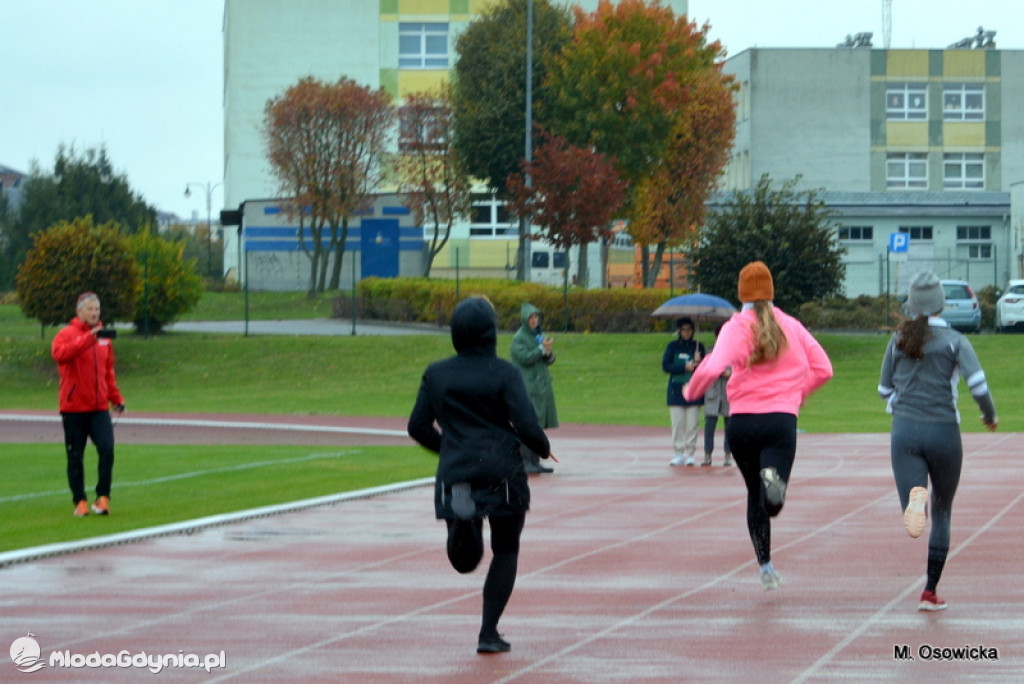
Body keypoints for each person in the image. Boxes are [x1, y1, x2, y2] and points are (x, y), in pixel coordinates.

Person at [408, 297, 554, 654]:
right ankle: (488, 632)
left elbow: (417, 426)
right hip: (502, 469)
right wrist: (543, 445)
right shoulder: (505, 373)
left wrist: (448, 447)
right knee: (505, 549)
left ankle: (463, 522)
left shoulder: (437, 373)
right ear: (490, 333)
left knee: (464, 562)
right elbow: (526, 424)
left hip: (457, 468)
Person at [683, 262, 833, 590]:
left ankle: (765, 565)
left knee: (753, 496)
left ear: (742, 294)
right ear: (771, 292)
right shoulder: (791, 326)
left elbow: (712, 369)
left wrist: (690, 391)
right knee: (770, 498)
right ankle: (774, 490)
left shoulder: (735, 328)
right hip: (780, 421)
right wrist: (799, 392)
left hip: (743, 424)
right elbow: (824, 368)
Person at [878, 270, 997, 612]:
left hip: (905, 432)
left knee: (916, 505)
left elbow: (884, 389)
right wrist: (989, 416)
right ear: (942, 305)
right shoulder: (956, 341)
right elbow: (979, 387)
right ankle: (930, 591)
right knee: (943, 512)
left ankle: (915, 503)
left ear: (911, 305)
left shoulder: (897, 340)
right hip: (945, 431)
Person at [50, 292, 126, 517]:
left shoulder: (104, 338)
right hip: (73, 408)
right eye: (90, 309)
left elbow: (108, 372)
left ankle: (102, 498)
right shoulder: (66, 335)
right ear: (79, 312)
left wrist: (116, 398)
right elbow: (60, 355)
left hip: (99, 408)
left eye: (97, 309)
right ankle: (80, 501)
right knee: (75, 456)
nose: (94, 313)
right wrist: (88, 339)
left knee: (107, 449)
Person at [510, 302, 557, 474]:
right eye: (532, 317)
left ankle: (535, 461)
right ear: (525, 319)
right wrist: (540, 350)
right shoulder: (519, 338)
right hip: (526, 388)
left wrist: (548, 353)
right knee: (526, 425)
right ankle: (525, 461)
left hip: (540, 387)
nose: (535, 320)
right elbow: (524, 358)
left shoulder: (539, 335)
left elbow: (548, 360)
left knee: (537, 426)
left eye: (536, 317)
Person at [662, 317, 705, 466]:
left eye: (689, 329)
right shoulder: (672, 346)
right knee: (678, 423)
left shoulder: (698, 347)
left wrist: (699, 361)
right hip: (676, 389)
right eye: (684, 329)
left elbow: (705, 369)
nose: (687, 332)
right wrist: (684, 367)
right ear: (679, 331)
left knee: (693, 423)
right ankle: (678, 452)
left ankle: (690, 453)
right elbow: (666, 366)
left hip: (694, 389)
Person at [702, 322, 732, 467]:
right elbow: (708, 369)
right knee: (710, 425)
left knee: (729, 425)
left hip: (728, 393)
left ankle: (728, 454)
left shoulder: (734, 352)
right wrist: (721, 372)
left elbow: (740, 370)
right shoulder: (710, 352)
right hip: (713, 392)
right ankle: (708, 454)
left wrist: (730, 374)